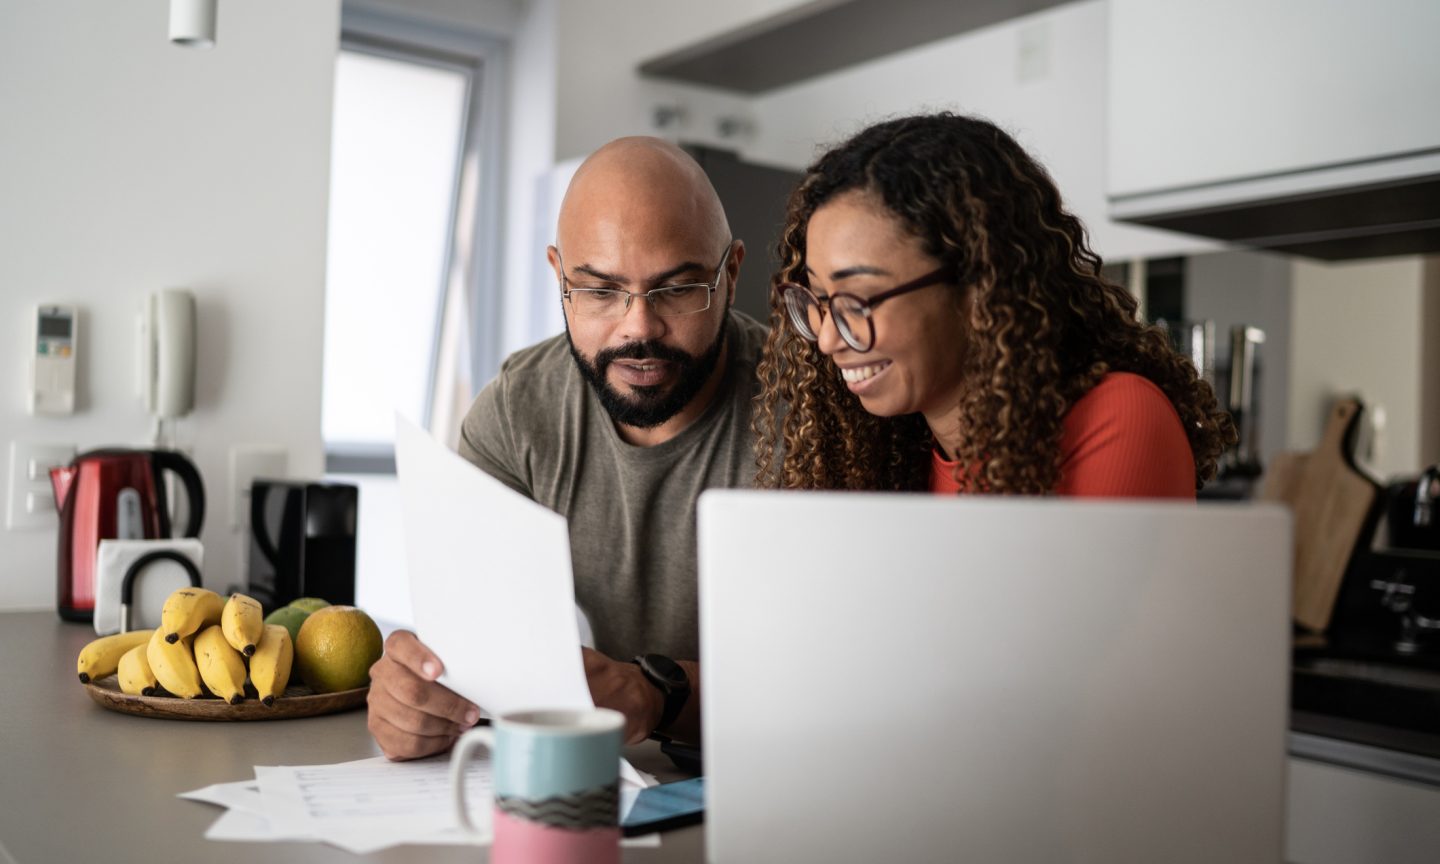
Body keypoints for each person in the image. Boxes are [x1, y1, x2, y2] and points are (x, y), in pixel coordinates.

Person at [368, 137, 767, 760]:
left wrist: (655, 692)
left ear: (732, 274)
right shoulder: (517, 409)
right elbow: (471, 648)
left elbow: (849, 677)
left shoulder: (813, 413)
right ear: (559, 276)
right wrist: (418, 698)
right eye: (600, 291)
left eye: (677, 289)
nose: (638, 327)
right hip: (610, 788)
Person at [753, 113, 1235, 495]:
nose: (829, 338)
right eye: (818, 300)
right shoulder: (889, 452)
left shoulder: (1118, 420)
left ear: (978, 288)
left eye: (858, 299)